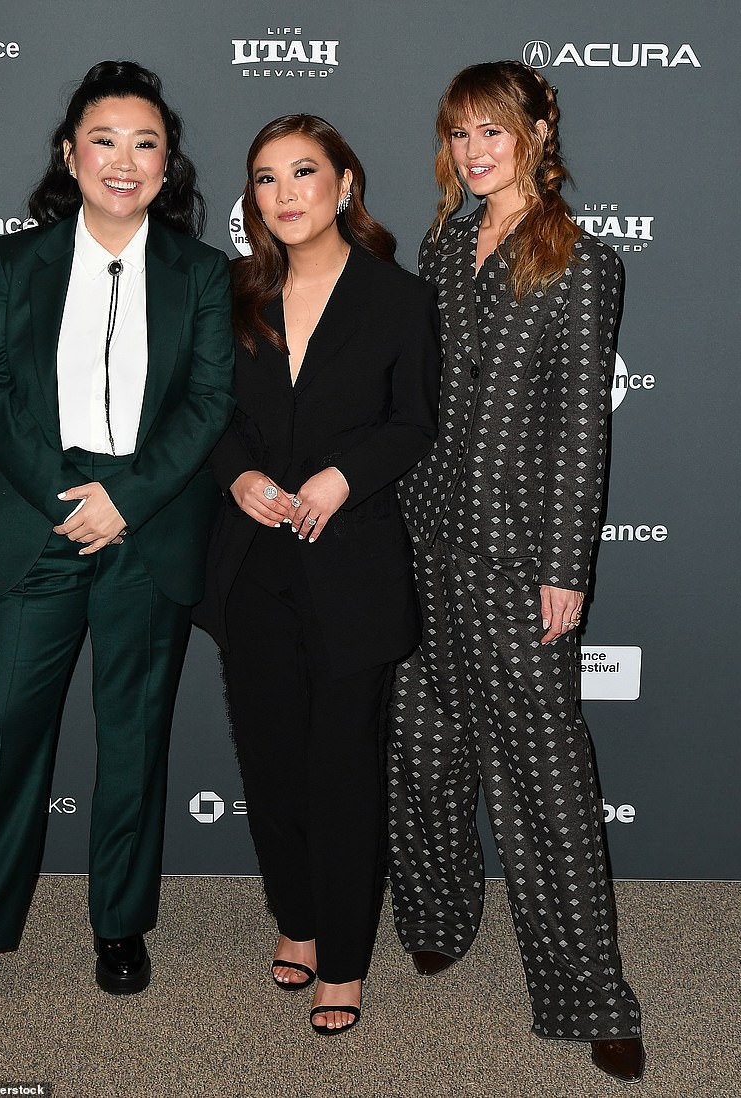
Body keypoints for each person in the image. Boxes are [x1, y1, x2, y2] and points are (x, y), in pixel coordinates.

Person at [0, 60, 234, 1026]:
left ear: (168, 162)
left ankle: (120, 922)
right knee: (2, 736)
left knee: (132, 738)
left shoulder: (202, 271)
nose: (123, 161)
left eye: (145, 143)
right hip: (34, 524)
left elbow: (210, 402)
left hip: (147, 528)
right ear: (70, 153)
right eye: (104, 140)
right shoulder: (18, 260)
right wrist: (67, 494)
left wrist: (123, 500)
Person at [387, 60, 645, 1082]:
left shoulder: (580, 260)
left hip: (512, 550)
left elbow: (583, 429)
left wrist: (563, 568)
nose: (475, 150)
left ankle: (590, 994)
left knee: (544, 775)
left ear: (538, 131)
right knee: (423, 742)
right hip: (419, 532)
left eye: (493, 131)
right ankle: (439, 910)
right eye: (459, 134)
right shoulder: (442, 242)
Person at [193, 115, 440, 1034]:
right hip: (253, 564)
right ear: (252, 199)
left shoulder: (397, 300)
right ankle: (294, 920)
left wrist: (342, 475)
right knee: (271, 758)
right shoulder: (228, 295)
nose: (285, 192)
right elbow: (203, 409)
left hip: (353, 569)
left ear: (344, 183)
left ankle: (343, 955)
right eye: (265, 178)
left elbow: (412, 422)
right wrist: (239, 474)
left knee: (341, 768)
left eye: (304, 172)